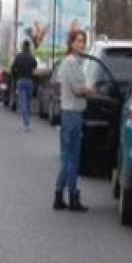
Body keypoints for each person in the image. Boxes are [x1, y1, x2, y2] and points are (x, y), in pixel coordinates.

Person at [54, 29, 90, 212]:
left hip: (71, 113)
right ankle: (73, 195)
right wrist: (89, 89)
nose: (81, 44)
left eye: (83, 41)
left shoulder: (74, 62)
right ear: (71, 43)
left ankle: (58, 195)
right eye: (78, 41)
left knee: (67, 158)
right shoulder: (71, 63)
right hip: (72, 114)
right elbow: (77, 88)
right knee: (72, 158)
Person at [10, 40, 38, 131]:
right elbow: (35, 65)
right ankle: (27, 120)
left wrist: (15, 76)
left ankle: (26, 123)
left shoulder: (18, 57)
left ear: (22, 47)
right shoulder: (31, 57)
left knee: (23, 102)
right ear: (29, 47)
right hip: (29, 81)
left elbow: (13, 68)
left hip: (20, 80)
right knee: (28, 101)